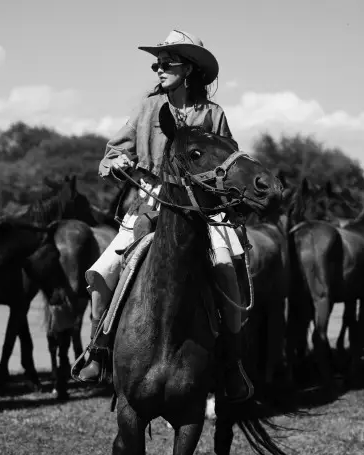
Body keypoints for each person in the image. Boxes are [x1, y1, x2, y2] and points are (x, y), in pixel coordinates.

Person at [75, 29, 253, 403]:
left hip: (200, 210)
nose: (159, 69)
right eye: (157, 64)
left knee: (226, 272)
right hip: (148, 202)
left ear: (188, 68)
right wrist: (115, 162)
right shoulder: (146, 109)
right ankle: (98, 350)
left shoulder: (213, 114)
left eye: (167, 63)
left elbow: (230, 163)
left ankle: (232, 363)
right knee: (102, 274)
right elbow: (111, 153)